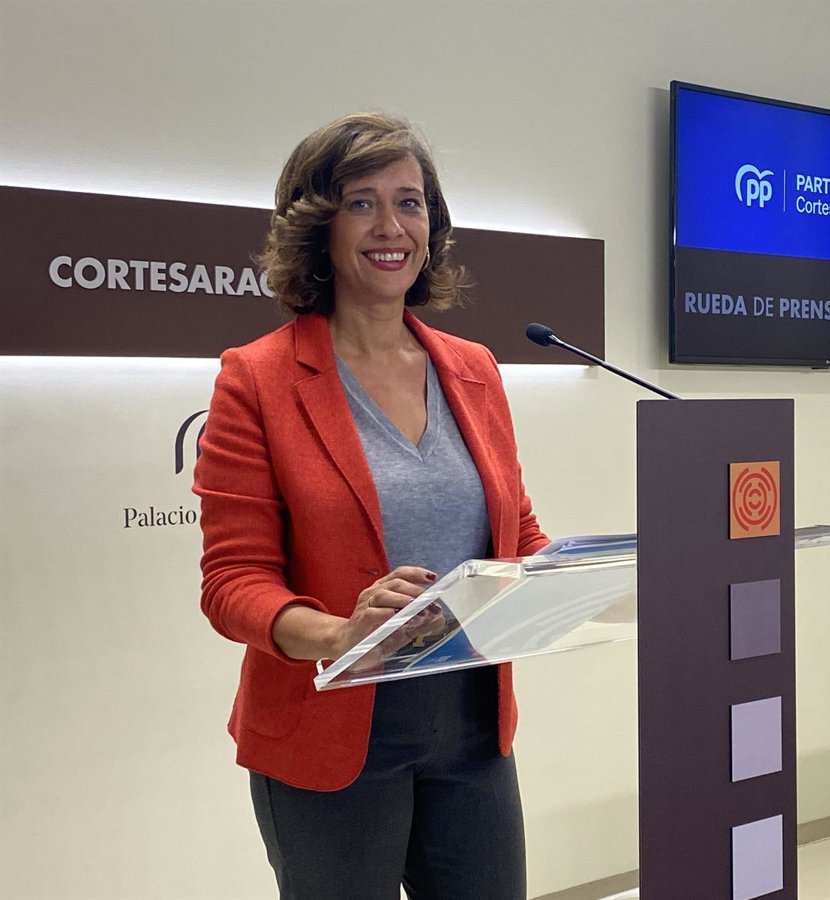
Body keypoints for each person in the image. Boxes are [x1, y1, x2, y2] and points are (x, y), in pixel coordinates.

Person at [193, 112, 549, 900]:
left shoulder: (475, 370)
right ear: (318, 225)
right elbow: (232, 582)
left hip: (471, 729)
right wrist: (340, 634)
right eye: (362, 203)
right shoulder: (257, 379)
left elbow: (517, 534)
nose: (391, 227)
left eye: (409, 203)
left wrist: (581, 579)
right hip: (328, 738)